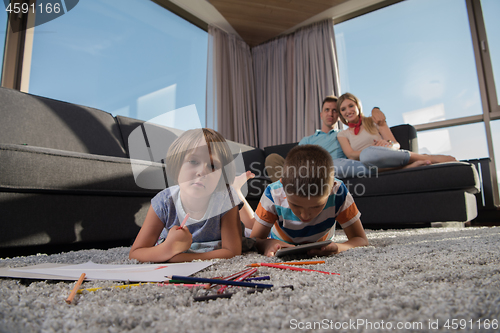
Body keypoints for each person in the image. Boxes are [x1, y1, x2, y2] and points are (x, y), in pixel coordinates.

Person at [129, 128, 244, 263]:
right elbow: (136, 253)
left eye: (212, 166)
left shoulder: (226, 199)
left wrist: (182, 258)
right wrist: (167, 249)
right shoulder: (164, 202)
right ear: (177, 165)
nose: (202, 172)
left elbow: (233, 251)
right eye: (194, 161)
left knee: (249, 240)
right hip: (171, 246)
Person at [236, 144, 369, 257]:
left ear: (331, 189)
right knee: (249, 228)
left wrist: (338, 248)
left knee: (255, 222)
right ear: (282, 186)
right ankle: (235, 191)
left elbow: (361, 239)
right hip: (277, 235)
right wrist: (267, 243)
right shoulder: (273, 193)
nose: (305, 216)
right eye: (295, 205)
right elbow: (256, 239)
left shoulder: (339, 192)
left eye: (316, 206)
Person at [265, 95, 373, 182]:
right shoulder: (308, 139)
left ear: (339, 116)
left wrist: (375, 111)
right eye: (327, 110)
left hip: (325, 173)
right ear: (321, 115)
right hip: (302, 172)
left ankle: (291, 196)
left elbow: (358, 147)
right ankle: (289, 193)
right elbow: (293, 160)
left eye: (334, 110)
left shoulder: (344, 135)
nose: (330, 113)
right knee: (272, 158)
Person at [336, 92, 456, 170]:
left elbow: (395, 144)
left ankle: (423, 157)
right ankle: (405, 168)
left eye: (351, 106)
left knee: (372, 154)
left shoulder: (374, 121)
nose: (348, 111)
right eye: (343, 109)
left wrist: (387, 145)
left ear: (357, 106)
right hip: (365, 162)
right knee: (344, 164)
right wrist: (368, 150)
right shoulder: (342, 134)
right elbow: (350, 154)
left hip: (383, 154)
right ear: (341, 113)